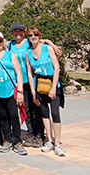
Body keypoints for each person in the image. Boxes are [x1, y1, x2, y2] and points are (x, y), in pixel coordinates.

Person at [0, 31, 27, 156]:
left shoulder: (10, 55)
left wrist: (20, 91)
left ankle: (17, 141)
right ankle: (7, 139)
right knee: (3, 117)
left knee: (13, 116)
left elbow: (19, 73)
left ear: (3, 42)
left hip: (10, 91)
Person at [26, 26, 65, 156]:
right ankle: (50, 140)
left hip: (52, 85)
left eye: (35, 35)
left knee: (55, 113)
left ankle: (58, 144)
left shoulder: (47, 49)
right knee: (44, 114)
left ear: (39, 36)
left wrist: (54, 87)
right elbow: (30, 73)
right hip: (40, 86)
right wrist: (33, 91)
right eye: (31, 35)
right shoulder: (28, 53)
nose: (33, 37)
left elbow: (57, 68)